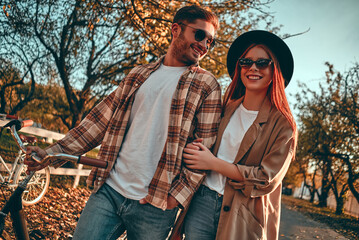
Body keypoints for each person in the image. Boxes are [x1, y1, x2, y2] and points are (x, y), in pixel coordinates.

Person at [25, 5, 222, 240]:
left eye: (210, 42)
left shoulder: (207, 85)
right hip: (109, 190)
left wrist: (175, 198)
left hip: (156, 205)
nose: (204, 45)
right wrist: (51, 153)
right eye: (199, 35)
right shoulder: (138, 74)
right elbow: (98, 121)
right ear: (176, 30)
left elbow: (204, 149)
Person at [172, 30, 297, 240]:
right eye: (246, 62)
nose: (253, 68)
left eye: (262, 62)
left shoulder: (284, 125)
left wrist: (213, 163)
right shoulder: (224, 109)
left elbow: (265, 179)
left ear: (274, 70)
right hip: (201, 203)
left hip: (243, 213)